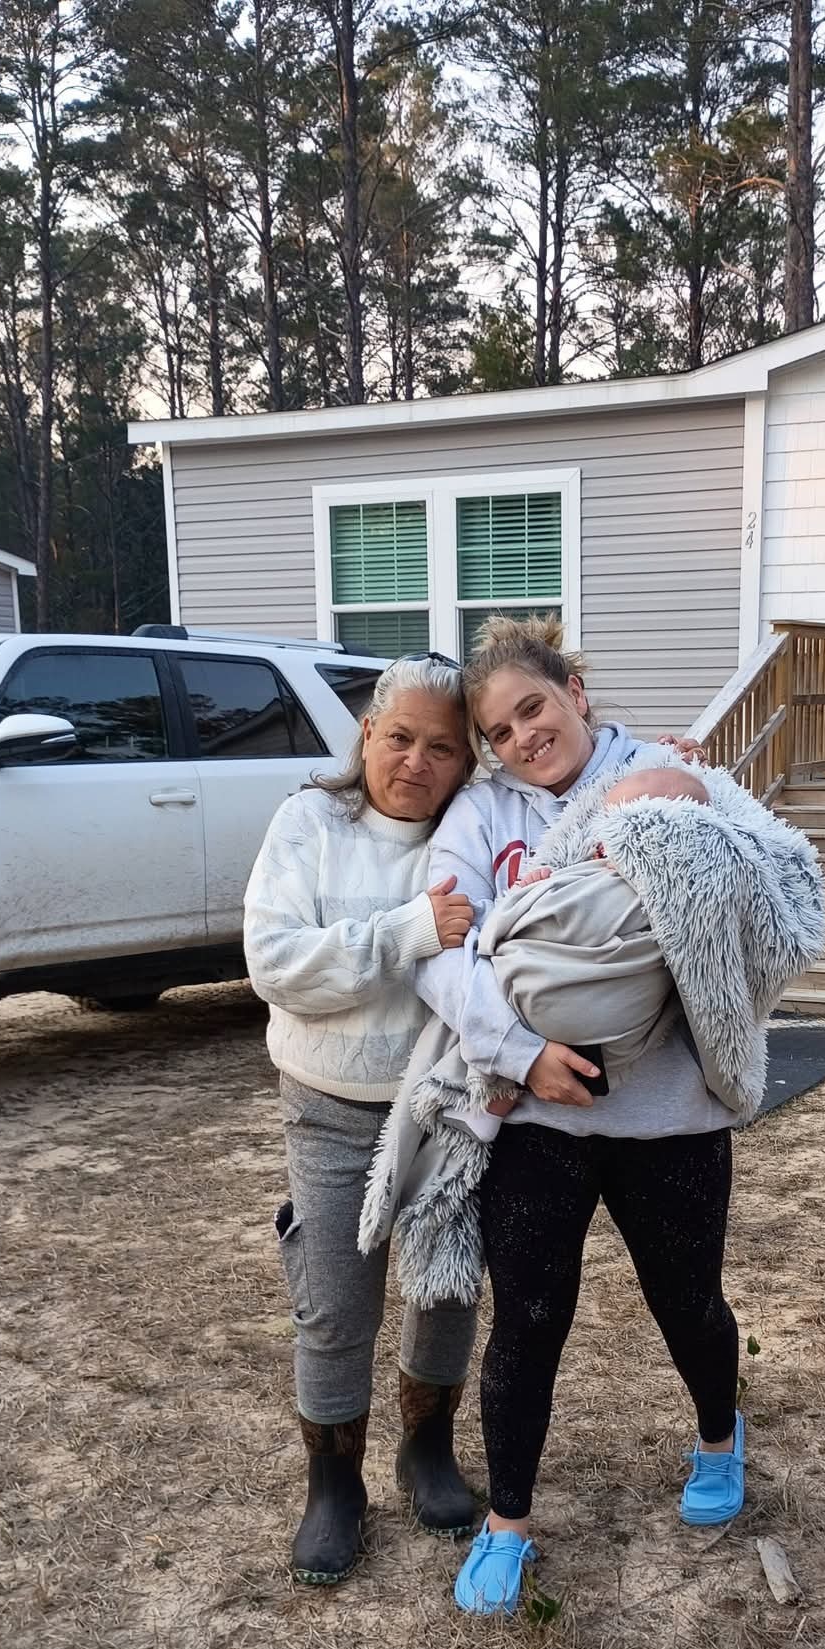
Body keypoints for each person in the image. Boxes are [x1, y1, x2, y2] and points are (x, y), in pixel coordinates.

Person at [412, 617, 825, 1616]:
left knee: (688, 1301)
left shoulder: (671, 775)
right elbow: (441, 951)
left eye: (535, 708)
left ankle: (718, 1438)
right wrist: (523, 1055)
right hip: (537, 1116)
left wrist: (676, 820)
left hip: (668, 1112)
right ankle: (509, 1523)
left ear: (577, 694)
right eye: (500, 730)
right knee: (528, 1318)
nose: (523, 737)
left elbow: (768, 889)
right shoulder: (480, 815)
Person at [243, 657, 482, 1587]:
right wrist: (407, 932)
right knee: (337, 1304)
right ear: (368, 733)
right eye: (400, 738)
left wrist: (664, 764)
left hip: (445, 1107)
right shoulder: (310, 821)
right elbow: (276, 963)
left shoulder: (474, 830)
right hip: (330, 1103)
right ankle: (333, 1483)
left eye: (442, 748)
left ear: (468, 761)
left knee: (445, 1289)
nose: (417, 762)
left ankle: (426, 1451)